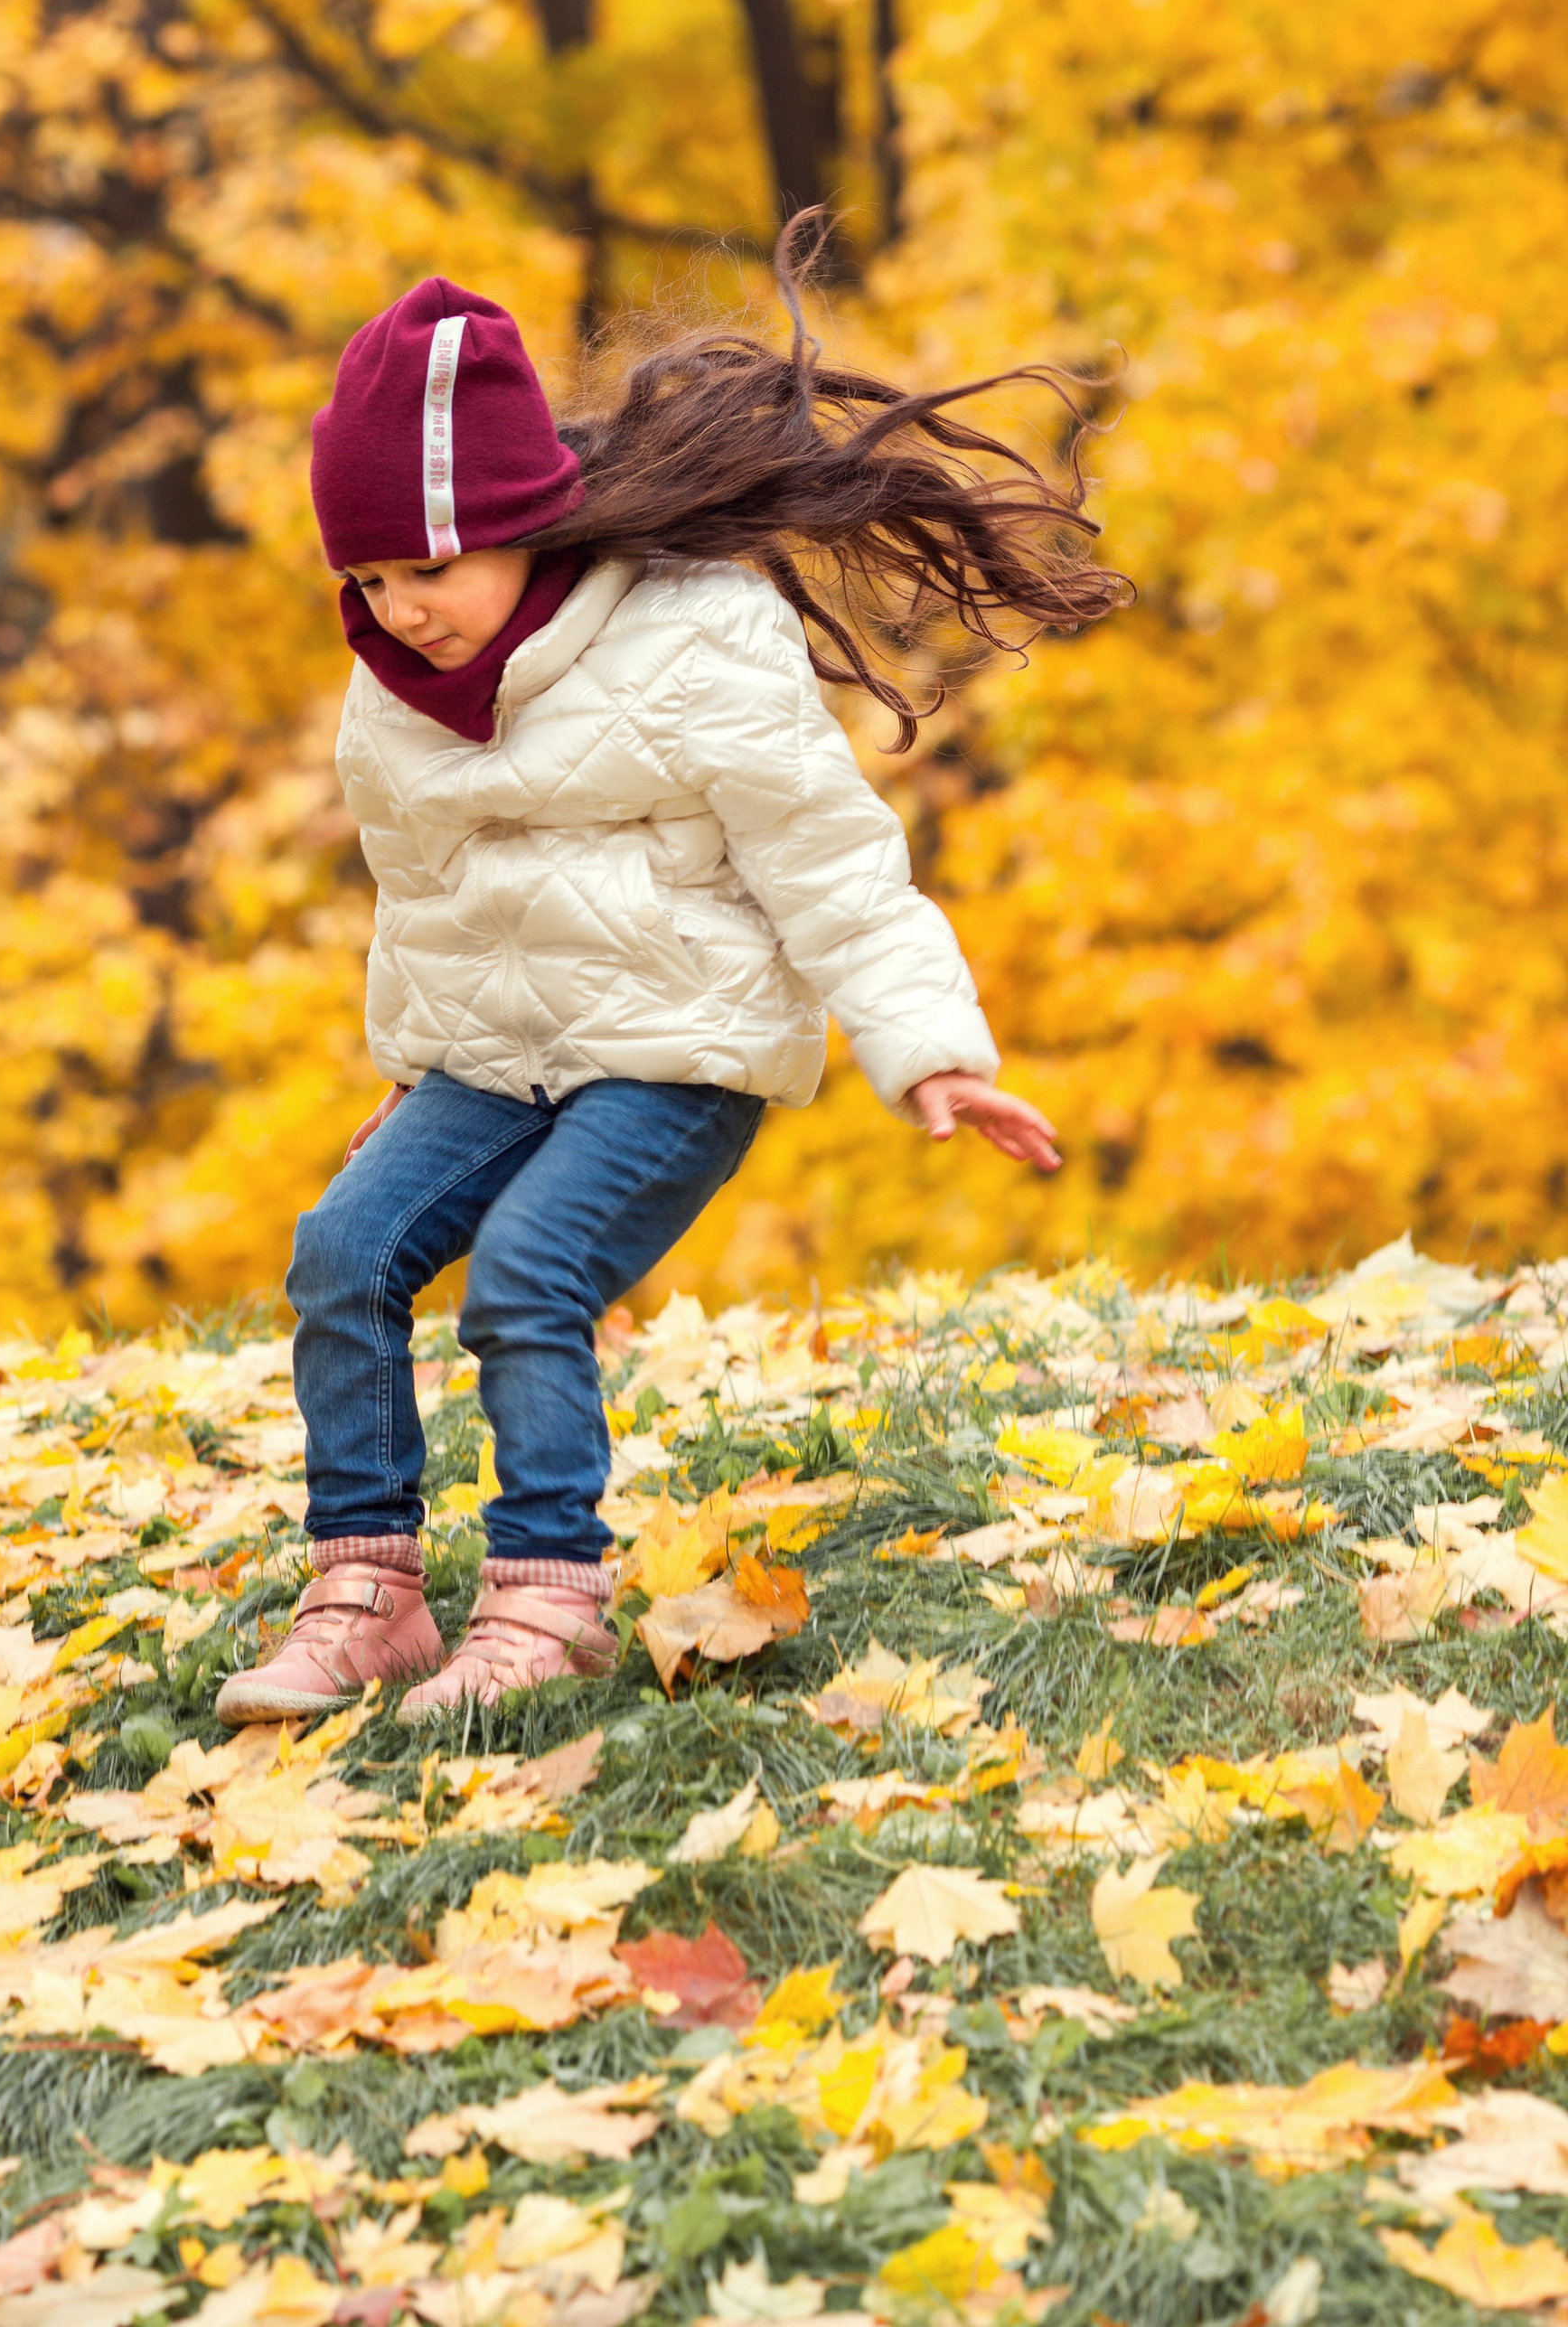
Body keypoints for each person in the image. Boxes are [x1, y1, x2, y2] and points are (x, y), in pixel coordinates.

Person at [218, 218, 1126, 1724]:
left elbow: (831, 858)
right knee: (341, 1250)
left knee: (525, 1275)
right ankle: (369, 1591)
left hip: (677, 1052)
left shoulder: (699, 639)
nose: (399, 610)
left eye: (428, 566)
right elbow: (427, 902)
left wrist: (927, 1044)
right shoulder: (390, 697)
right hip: (491, 1056)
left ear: (523, 522)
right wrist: (405, 1082)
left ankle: (545, 1602)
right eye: (368, 578)